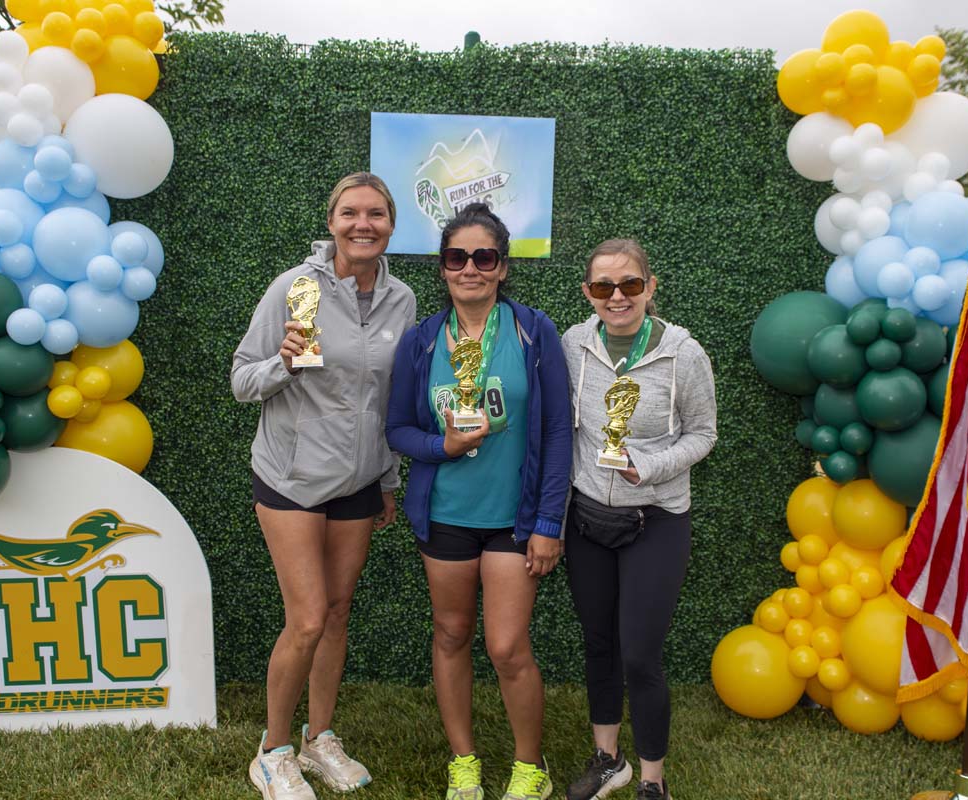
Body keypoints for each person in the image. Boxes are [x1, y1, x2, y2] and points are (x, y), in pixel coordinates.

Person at [232, 172, 417, 800]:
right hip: (292, 476)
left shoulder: (404, 300)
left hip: (360, 481)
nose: (363, 224)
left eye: (376, 214)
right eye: (350, 213)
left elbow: (389, 399)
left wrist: (388, 477)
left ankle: (320, 737)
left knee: (337, 614)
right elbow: (241, 380)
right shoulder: (295, 287)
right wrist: (283, 362)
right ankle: (273, 750)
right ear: (332, 221)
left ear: (391, 224)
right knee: (307, 618)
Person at [385, 203, 572, 800]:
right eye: (456, 257)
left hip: (513, 520)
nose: (470, 267)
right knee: (450, 633)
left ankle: (528, 767)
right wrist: (440, 444)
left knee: (507, 645)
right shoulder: (420, 342)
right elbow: (398, 432)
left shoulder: (533, 331)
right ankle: (463, 761)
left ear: (501, 267)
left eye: (483, 257)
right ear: (442, 268)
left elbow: (558, 432)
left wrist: (548, 521)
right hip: (445, 515)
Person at [560, 239, 717, 800]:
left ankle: (653, 780)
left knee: (640, 654)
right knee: (599, 642)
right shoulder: (574, 343)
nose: (617, 296)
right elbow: (563, 428)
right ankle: (609, 760)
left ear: (650, 287)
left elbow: (704, 434)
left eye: (629, 284)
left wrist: (646, 467)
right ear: (588, 294)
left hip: (656, 518)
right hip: (587, 519)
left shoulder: (684, 353)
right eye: (603, 287)